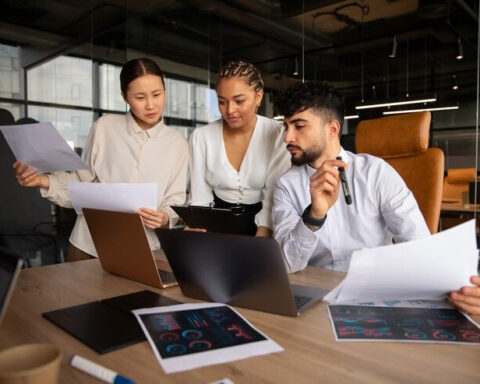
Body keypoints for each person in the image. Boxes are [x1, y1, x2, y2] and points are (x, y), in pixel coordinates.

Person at [272, 81, 480, 315]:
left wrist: (462, 290)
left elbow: (418, 246)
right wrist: (314, 215)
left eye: (299, 126)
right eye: (286, 126)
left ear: (332, 129)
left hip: (373, 298)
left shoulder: (376, 173)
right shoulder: (286, 185)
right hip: (314, 299)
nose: (287, 137)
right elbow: (286, 264)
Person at [13, 58, 189, 261]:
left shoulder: (178, 144)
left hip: (143, 249)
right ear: (124, 96)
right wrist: (43, 180)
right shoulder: (104, 127)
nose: (151, 105)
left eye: (157, 94)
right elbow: (82, 182)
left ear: (165, 90)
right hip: (88, 244)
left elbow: (175, 199)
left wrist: (165, 216)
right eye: (140, 97)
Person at [188, 60, 291, 237]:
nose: (230, 110)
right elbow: (199, 197)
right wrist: (198, 228)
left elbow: (274, 195)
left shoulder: (279, 134)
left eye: (239, 101)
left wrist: (262, 236)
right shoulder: (201, 136)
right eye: (222, 102)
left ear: (258, 96)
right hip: (215, 227)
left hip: (266, 225)